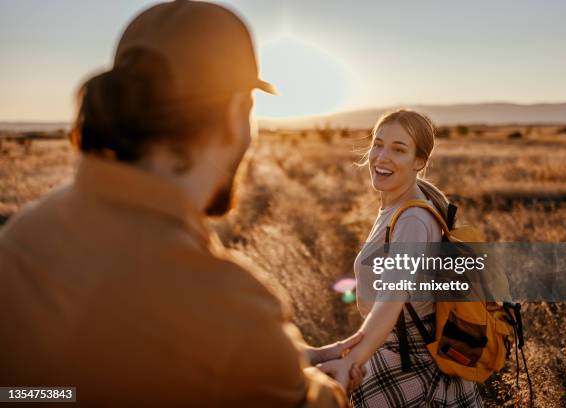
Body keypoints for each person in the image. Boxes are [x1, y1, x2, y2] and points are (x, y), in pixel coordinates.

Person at [0, 1, 363, 406]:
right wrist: (330, 382)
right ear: (236, 113)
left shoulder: (21, 237)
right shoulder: (230, 309)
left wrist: (286, 357)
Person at [317, 110, 484, 407]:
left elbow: (391, 300)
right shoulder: (399, 207)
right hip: (395, 351)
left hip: (411, 367)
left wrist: (353, 359)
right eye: (378, 144)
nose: (382, 156)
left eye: (398, 149)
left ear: (420, 162)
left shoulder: (413, 220)